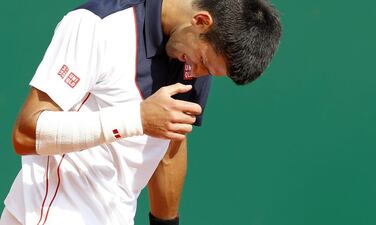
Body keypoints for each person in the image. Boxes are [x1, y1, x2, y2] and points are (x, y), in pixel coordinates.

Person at [0, 0, 281, 224]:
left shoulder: (193, 54)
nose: (197, 73)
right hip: (49, 215)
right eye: (204, 62)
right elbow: (26, 134)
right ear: (201, 21)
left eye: (210, 71)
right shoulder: (97, 25)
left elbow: (170, 148)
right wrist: (136, 120)